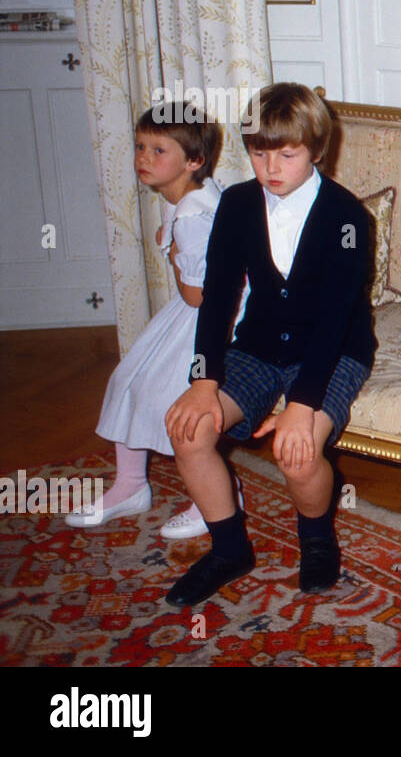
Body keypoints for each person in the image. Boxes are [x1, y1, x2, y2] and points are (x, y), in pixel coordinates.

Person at [163, 83, 376, 607]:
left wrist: (302, 406)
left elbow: (336, 317)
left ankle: (317, 539)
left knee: (297, 453)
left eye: (288, 154)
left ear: (317, 150)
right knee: (187, 429)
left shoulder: (347, 217)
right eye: (259, 153)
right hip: (258, 345)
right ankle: (230, 547)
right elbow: (217, 298)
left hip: (332, 350)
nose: (272, 167)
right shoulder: (236, 204)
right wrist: (203, 380)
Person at [68, 102, 225, 539]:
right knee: (128, 381)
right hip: (195, 309)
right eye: (140, 147)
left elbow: (198, 293)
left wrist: (175, 251)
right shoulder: (188, 194)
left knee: (170, 402)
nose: (143, 158)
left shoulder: (192, 214)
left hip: (213, 314)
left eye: (159, 150)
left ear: (193, 160)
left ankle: (216, 494)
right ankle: (131, 486)